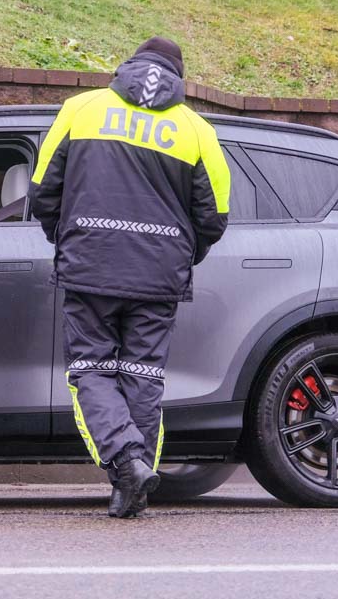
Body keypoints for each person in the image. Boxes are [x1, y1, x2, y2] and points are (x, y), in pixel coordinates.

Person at [29, 36, 230, 517]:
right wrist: (180, 254)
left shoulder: (81, 109)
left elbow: (42, 191)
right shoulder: (196, 129)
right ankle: (131, 487)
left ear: (130, 64)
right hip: (157, 277)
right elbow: (215, 216)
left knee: (91, 369)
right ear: (178, 76)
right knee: (143, 376)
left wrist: (70, 237)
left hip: (91, 265)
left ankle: (125, 461)